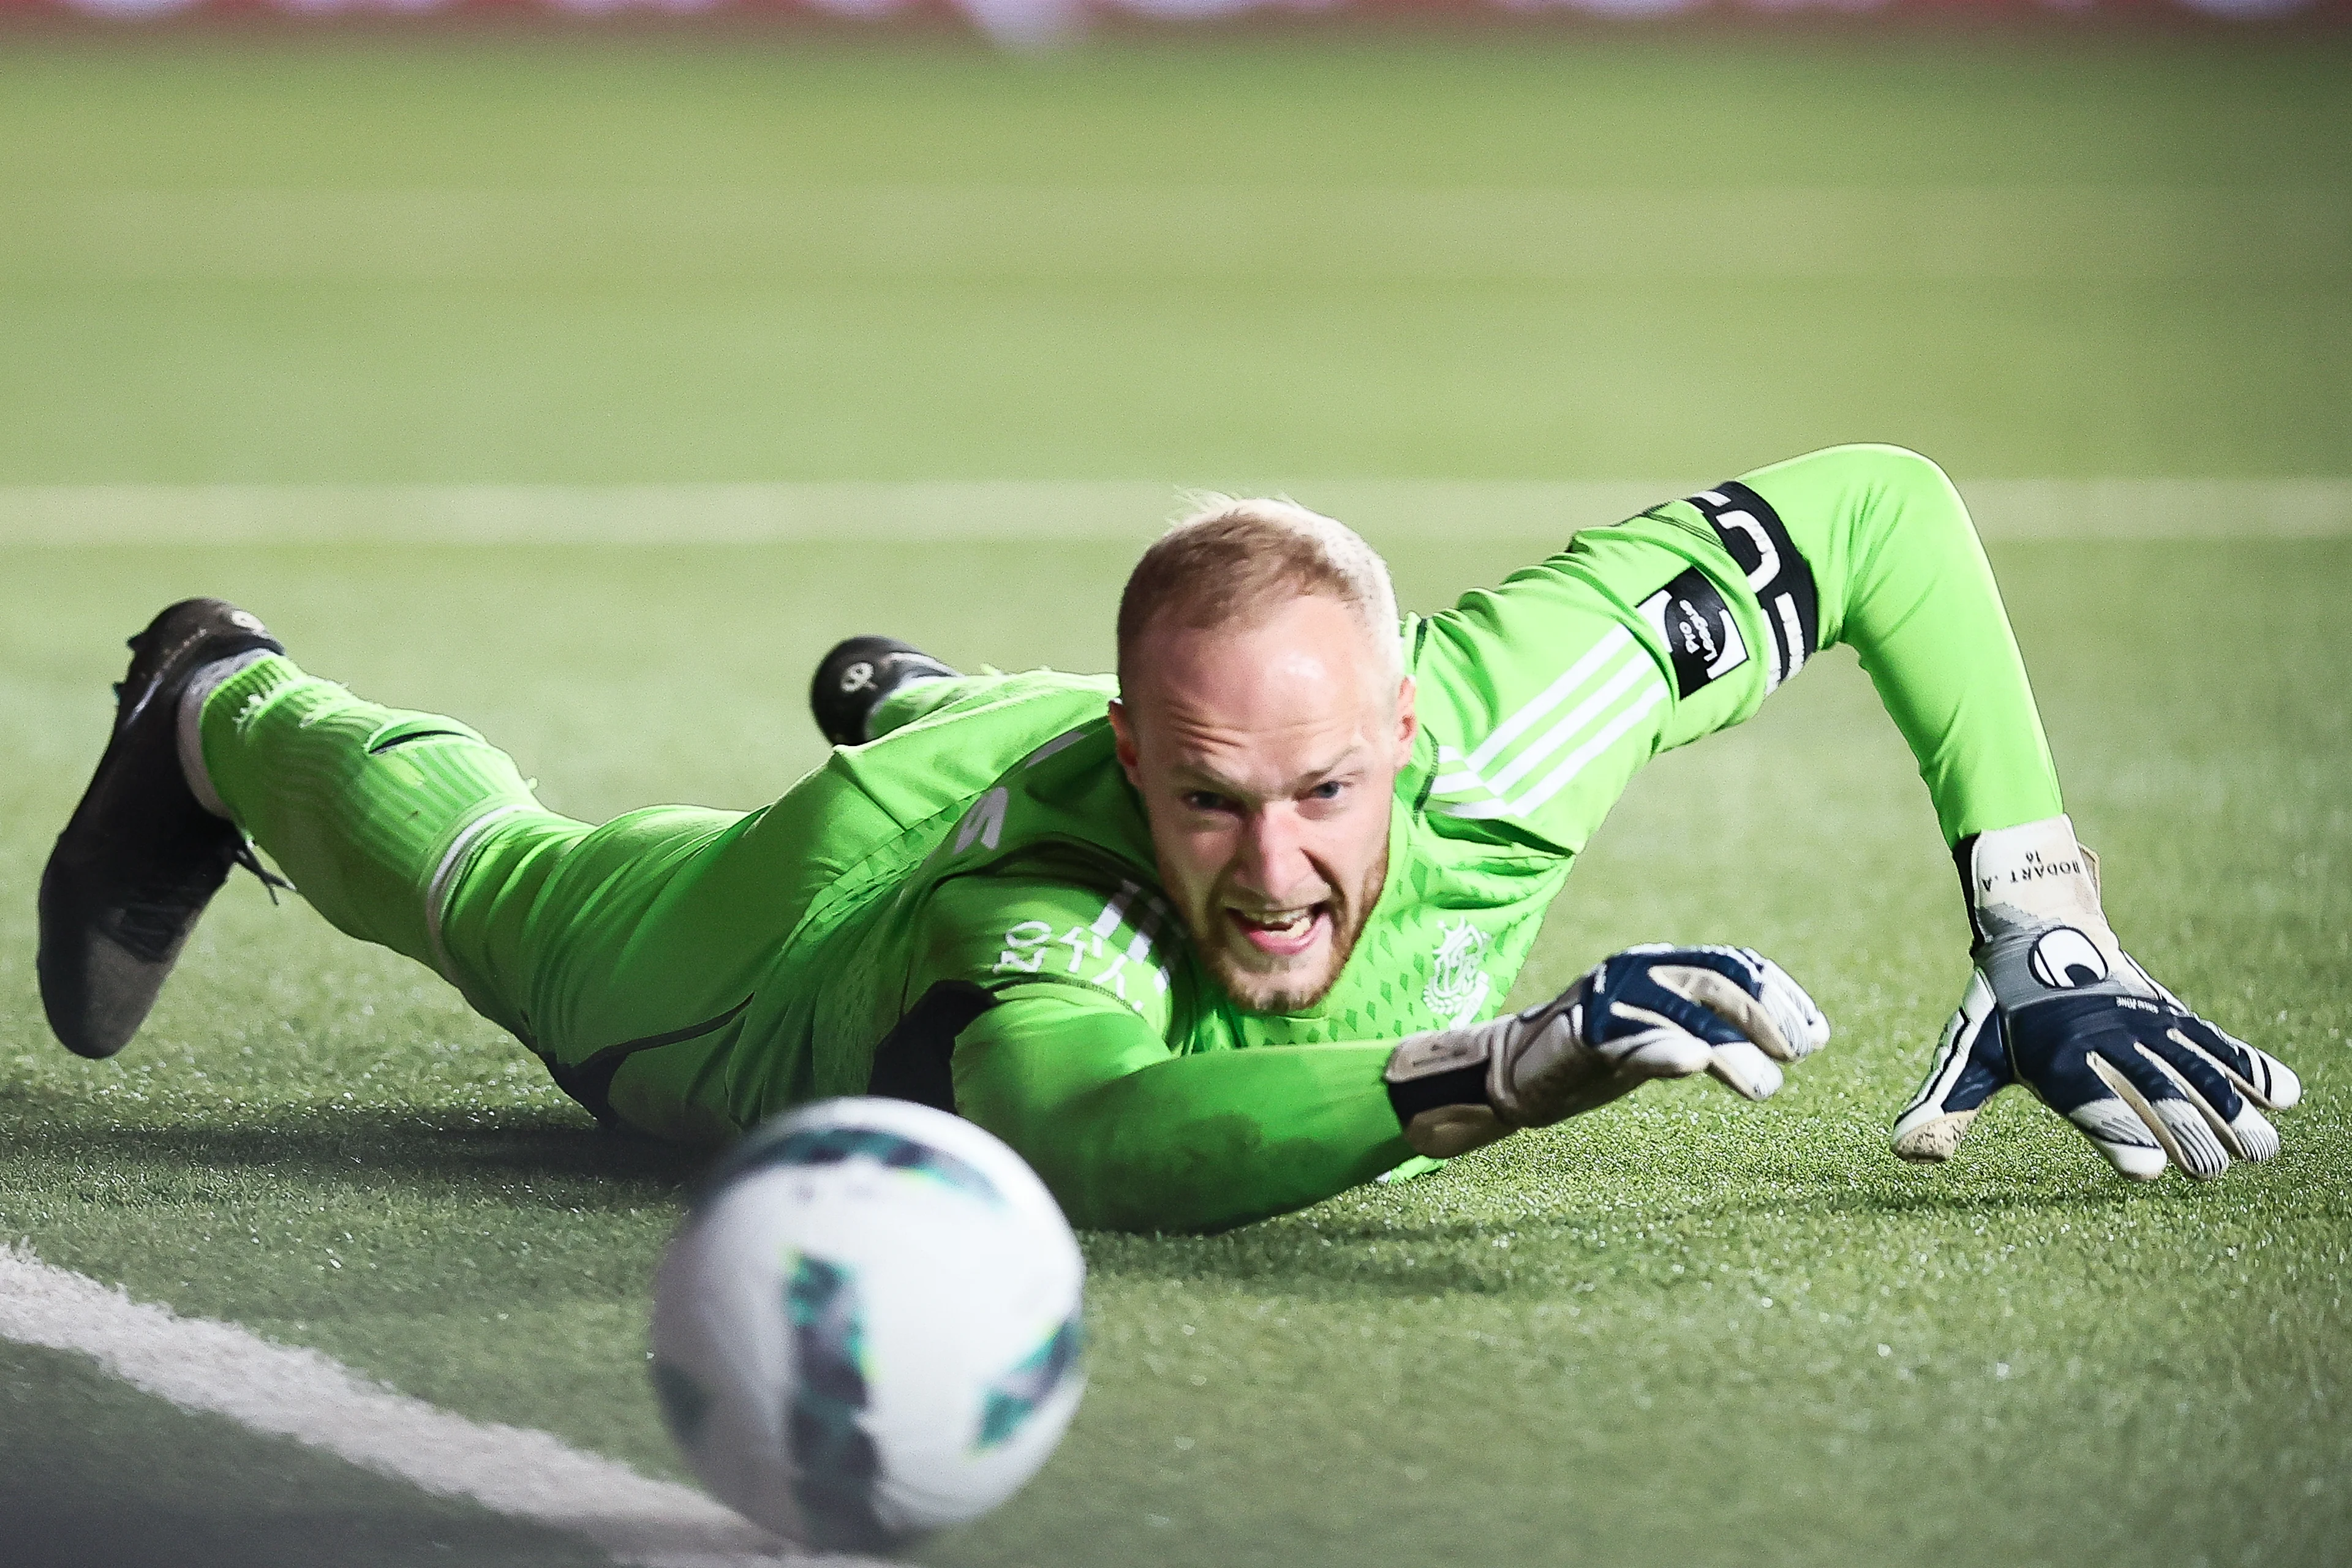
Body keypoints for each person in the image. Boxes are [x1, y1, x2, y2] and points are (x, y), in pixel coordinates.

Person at [38, 444, 2299, 1234]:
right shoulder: (1055, 906)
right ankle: (222, 701)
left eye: (1330, 794)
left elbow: (1879, 513)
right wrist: (1493, 1072)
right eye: (1213, 805)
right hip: (835, 923)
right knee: (524, 917)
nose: (1284, 869)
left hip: (1082, 720)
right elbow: (1091, 1136)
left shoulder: (1516, 714)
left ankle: (947, 689)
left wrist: (2047, 923)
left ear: (1408, 733)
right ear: (1142, 782)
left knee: (1211, 753)